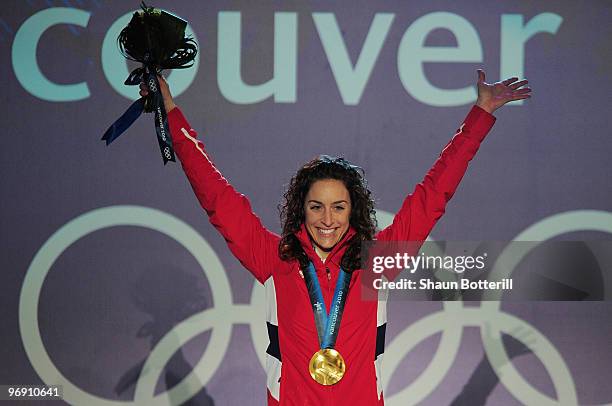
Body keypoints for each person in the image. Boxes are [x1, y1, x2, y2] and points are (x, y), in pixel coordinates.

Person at [140, 69, 531, 405]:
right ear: (301, 208)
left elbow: (433, 195)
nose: (327, 220)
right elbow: (216, 196)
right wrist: (171, 112)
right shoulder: (274, 258)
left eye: (339, 207)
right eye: (316, 207)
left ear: (354, 209)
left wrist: (479, 115)